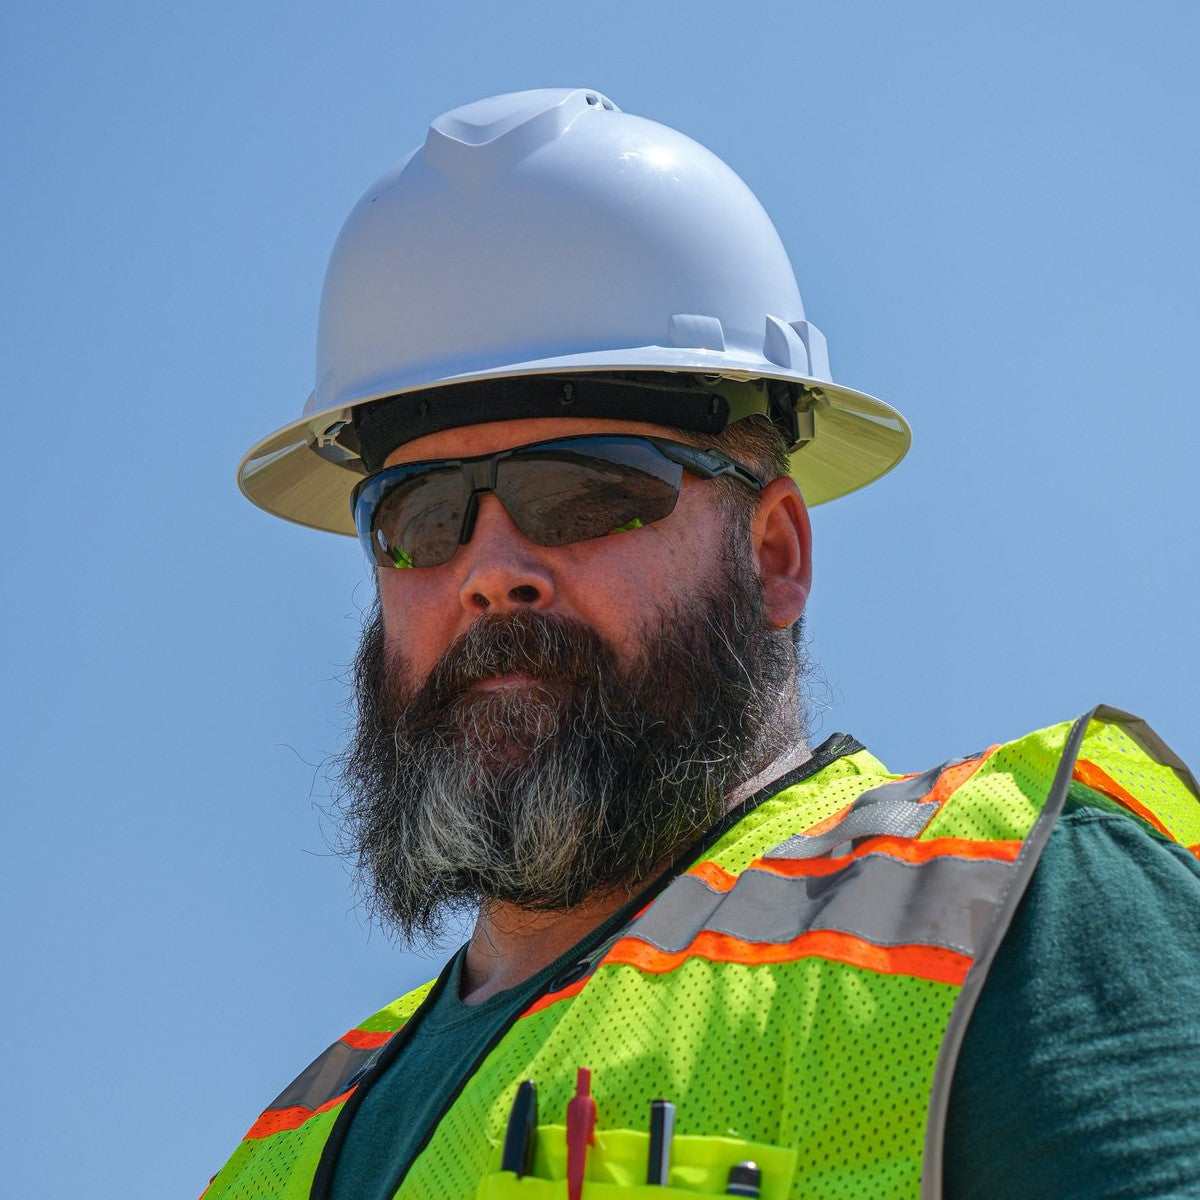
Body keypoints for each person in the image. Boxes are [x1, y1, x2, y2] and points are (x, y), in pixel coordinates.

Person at [206, 89, 1200, 1200]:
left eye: (583, 492)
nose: (490, 572)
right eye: (421, 516)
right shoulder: (277, 1155)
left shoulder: (1015, 912)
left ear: (773, 554)